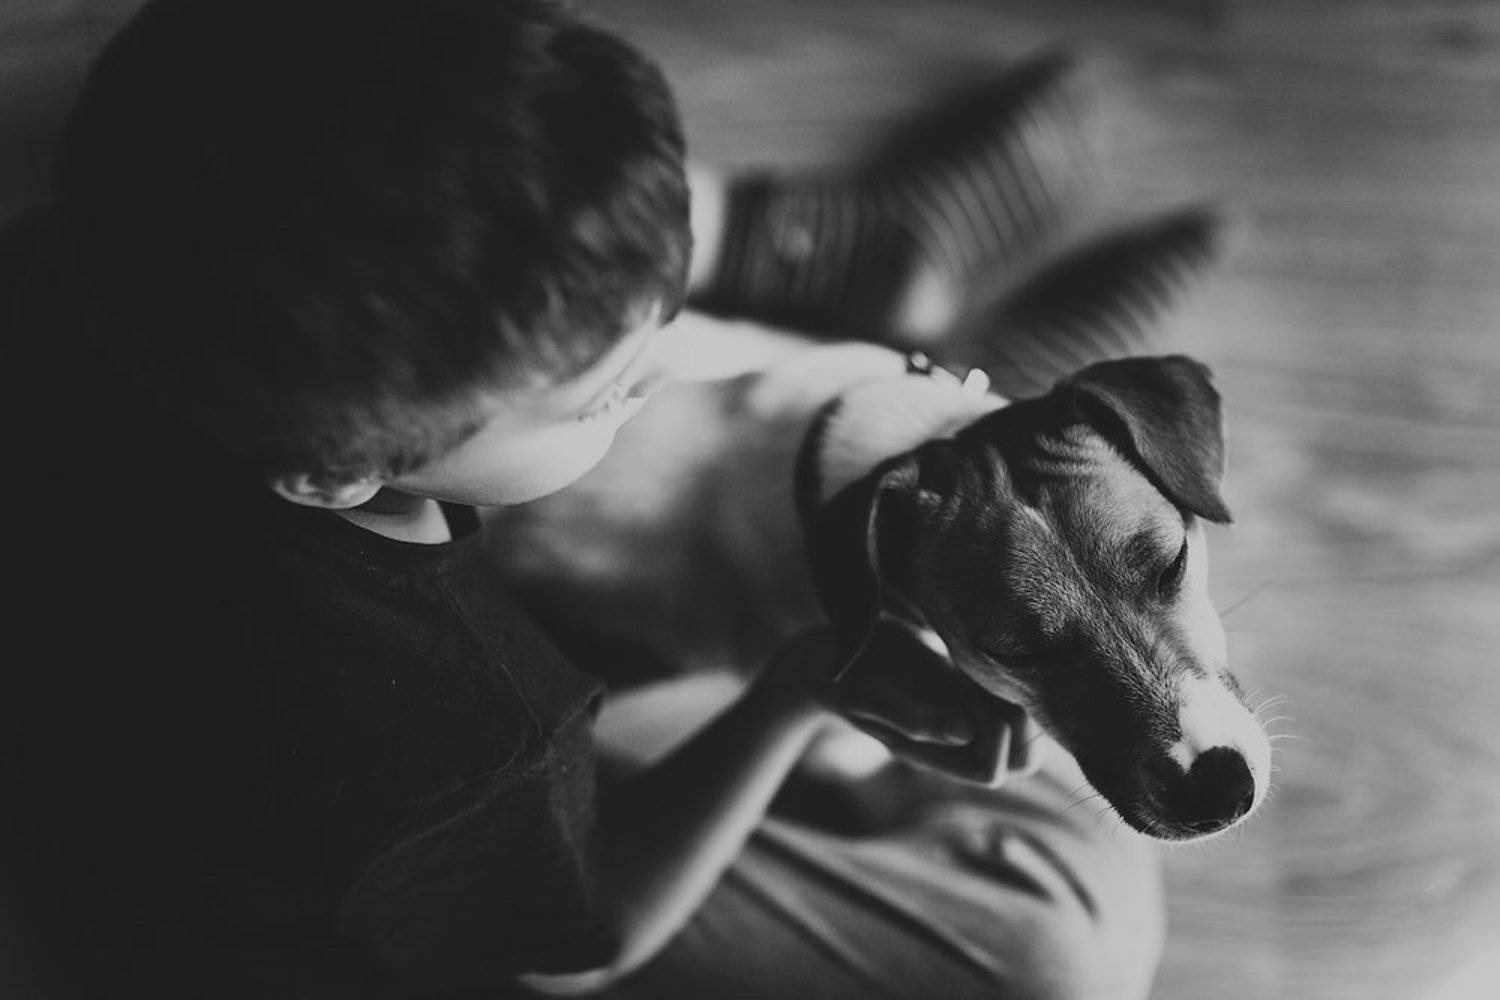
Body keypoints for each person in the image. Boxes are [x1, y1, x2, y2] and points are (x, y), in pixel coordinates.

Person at [5, 1, 1170, 997]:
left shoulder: (81, 262)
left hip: (212, 755)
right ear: (331, 476)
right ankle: (950, 411)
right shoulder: (478, 722)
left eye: (664, 317)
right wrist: (793, 694)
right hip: (345, 894)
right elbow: (585, 945)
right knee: (1060, 932)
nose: (661, 367)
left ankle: (933, 411)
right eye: (605, 393)